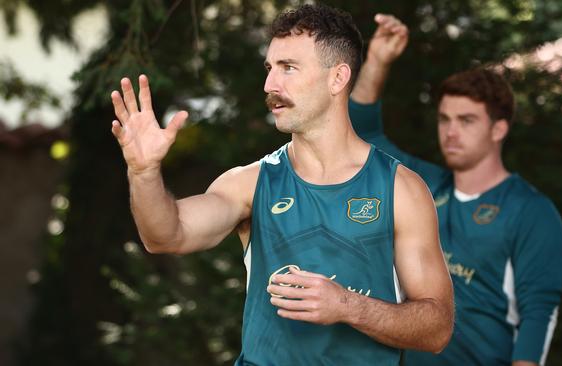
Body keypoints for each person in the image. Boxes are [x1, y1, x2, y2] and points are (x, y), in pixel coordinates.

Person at [109, 4, 454, 366]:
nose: (270, 85)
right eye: (270, 68)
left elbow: (437, 329)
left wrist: (347, 306)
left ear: (337, 79)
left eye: (288, 68)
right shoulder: (251, 183)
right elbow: (165, 235)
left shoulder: (399, 188)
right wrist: (144, 172)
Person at [348, 15, 562, 366]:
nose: (451, 132)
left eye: (466, 121)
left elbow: (538, 317)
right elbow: (360, 134)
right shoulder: (420, 185)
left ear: (498, 129)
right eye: (444, 119)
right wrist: (377, 60)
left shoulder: (531, 211)